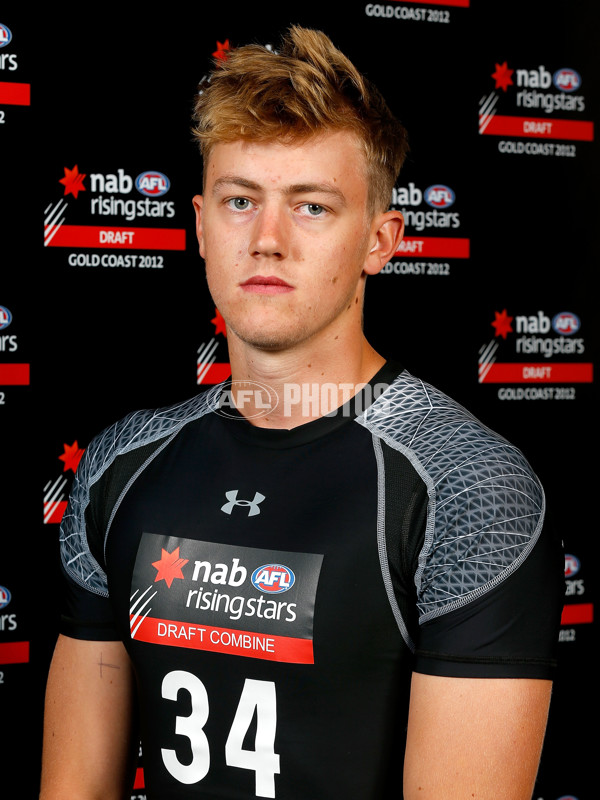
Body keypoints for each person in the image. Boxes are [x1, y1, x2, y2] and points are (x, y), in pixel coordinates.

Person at [40, 25, 563, 800]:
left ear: (379, 241)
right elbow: (75, 788)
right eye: (239, 201)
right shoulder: (122, 464)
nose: (267, 240)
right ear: (199, 225)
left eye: (312, 207)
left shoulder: (467, 485)